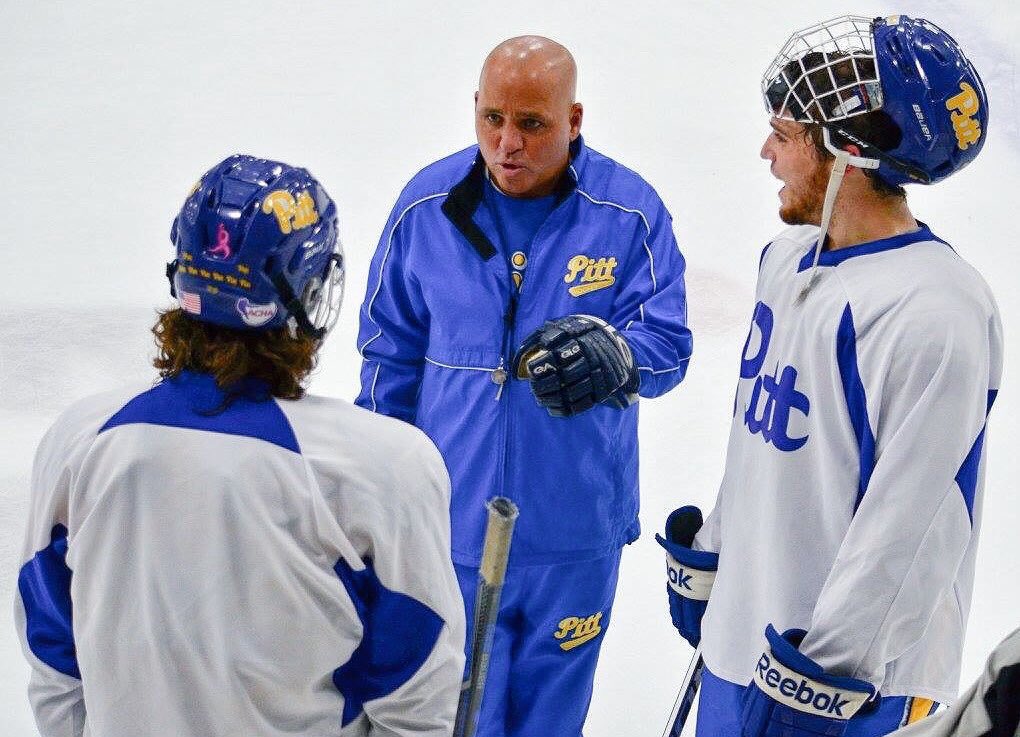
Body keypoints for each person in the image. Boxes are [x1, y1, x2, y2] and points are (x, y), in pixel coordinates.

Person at [15, 154, 465, 737]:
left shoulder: (79, 440)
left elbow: (53, 656)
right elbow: (416, 694)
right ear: (311, 290)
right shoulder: (384, 465)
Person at [655, 14, 1002, 737]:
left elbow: (912, 520)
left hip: (849, 689)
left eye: (784, 135)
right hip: (745, 645)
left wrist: (823, 678)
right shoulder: (786, 261)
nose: (766, 154)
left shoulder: (937, 311)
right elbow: (761, 443)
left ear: (849, 151)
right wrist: (717, 553)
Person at [356, 35, 692, 736]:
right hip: (450, 533)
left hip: (576, 531)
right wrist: (379, 501)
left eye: (532, 124)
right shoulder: (426, 208)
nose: (507, 144)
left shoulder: (629, 213)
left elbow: (669, 344)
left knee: (551, 722)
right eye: (493, 119)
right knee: (453, 722)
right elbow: (389, 358)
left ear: (574, 120)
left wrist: (619, 355)